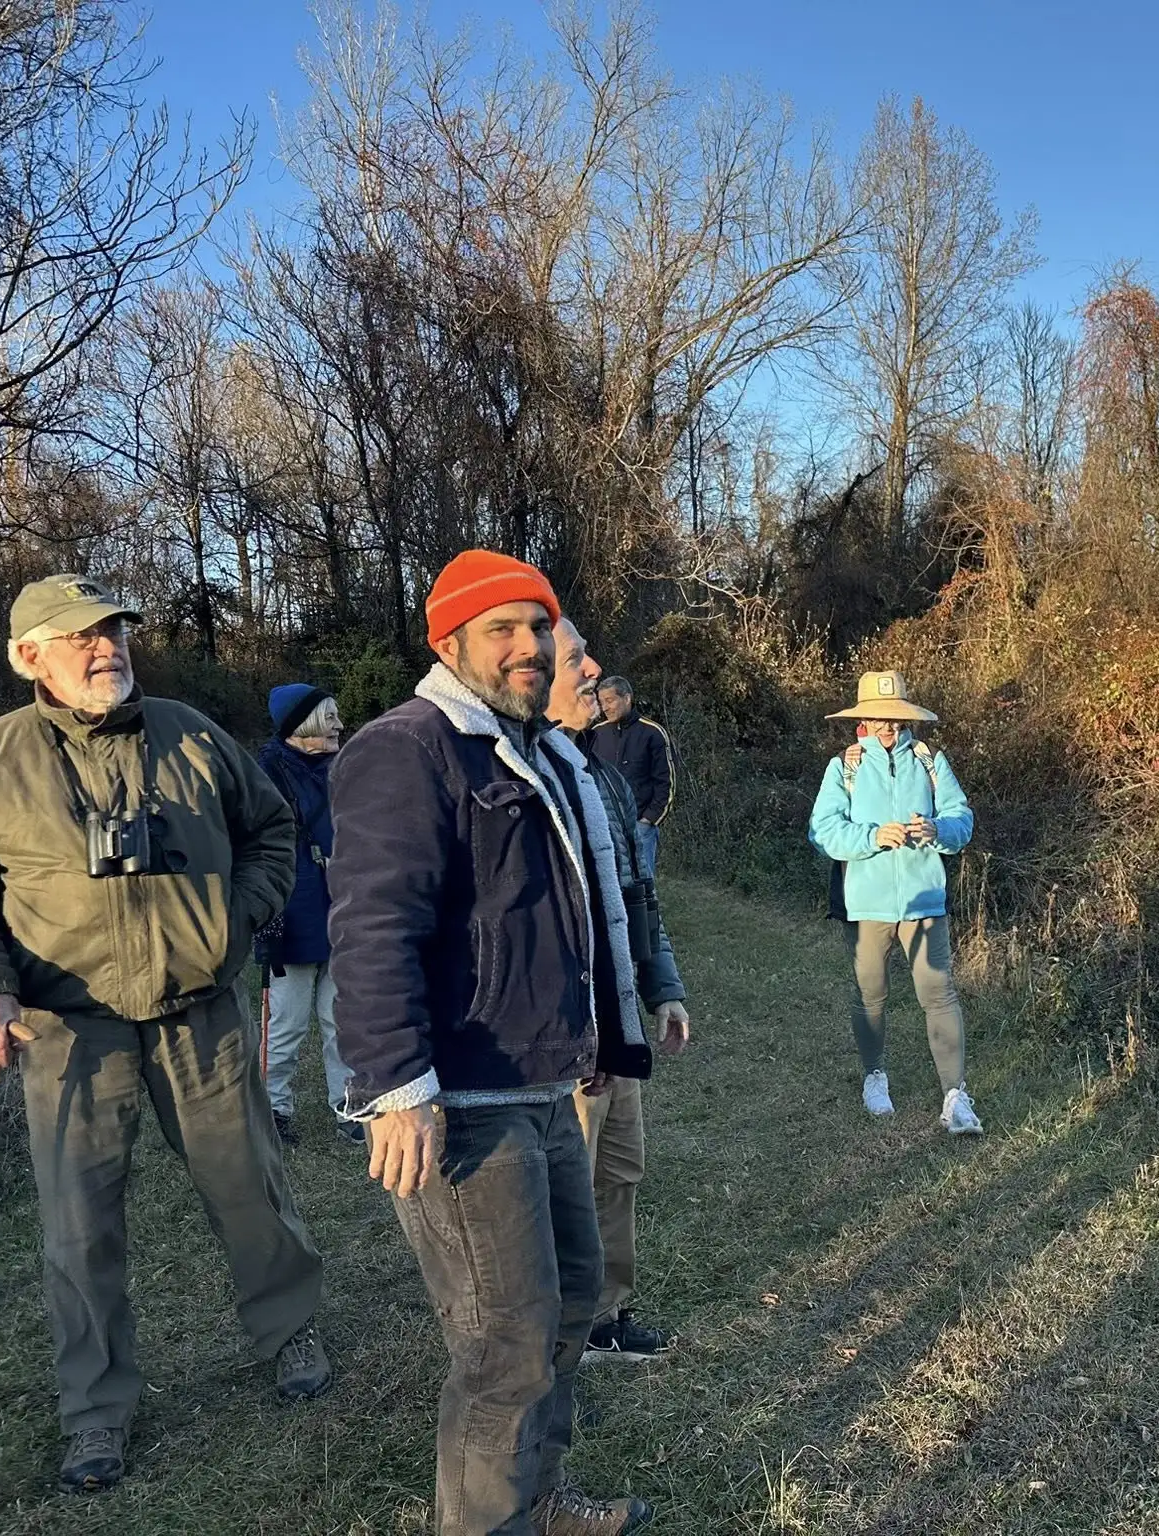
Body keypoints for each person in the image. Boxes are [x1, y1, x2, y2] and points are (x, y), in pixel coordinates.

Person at [0, 573, 330, 1495]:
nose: (108, 649)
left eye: (114, 633)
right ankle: (96, 1409)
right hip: (66, 1031)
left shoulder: (191, 734)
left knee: (251, 1191)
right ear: (29, 657)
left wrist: (240, 918)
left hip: (201, 1015)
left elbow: (272, 829)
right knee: (79, 1231)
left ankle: (289, 1326)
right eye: (82, 638)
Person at [329, 550, 655, 1536]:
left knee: (568, 1303)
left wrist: (595, 1032)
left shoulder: (535, 752)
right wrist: (396, 1087)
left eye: (538, 626)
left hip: (544, 1085)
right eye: (501, 628)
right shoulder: (410, 748)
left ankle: (538, 1498)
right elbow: (372, 924)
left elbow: (565, 915)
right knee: (503, 1340)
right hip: (460, 1101)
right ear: (449, 640)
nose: (528, 646)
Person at [545, 619, 692, 1366]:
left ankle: (606, 1316)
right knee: (561, 1181)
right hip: (569, 1031)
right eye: (577, 661)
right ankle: (553, 1339)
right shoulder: (527, 778)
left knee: (617, 1171)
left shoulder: (603, 775)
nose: (594, 674)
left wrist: (662, 987)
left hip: (621, 1018)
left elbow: (641, 895)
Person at [807, 670, 982, 1135]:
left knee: (939, 994)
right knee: (870, 995)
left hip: (925, 902)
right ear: (862, 720)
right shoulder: (842, 767)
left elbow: (961, 818)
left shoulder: (929, 762)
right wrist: (871, 837)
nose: (888, 728)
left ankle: (956, 1096)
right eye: (879, 719)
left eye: (896, 720)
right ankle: (874, 1076)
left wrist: (938, 830)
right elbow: (822, 830)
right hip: (866, 905)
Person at [256, 683, 358, 1146]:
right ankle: (272, 1110)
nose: (339, 724)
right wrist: (267, 915)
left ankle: (351, 1107)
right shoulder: (265, 775)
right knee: (287, 1023)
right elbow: (257, 852)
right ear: (303, 724)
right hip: (291, 915)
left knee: (344, 1019)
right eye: (329, 716)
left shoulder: (349, 768)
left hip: (346, 910)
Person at [589, 677, 672, 879]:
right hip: (606, 828)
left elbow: (665, 782)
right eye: (601, 702)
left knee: (643, 887)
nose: (605, 707)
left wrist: (649, 819)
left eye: (610, 700)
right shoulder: (596, 734)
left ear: (626, 698)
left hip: (640, 826)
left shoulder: (653, 732)